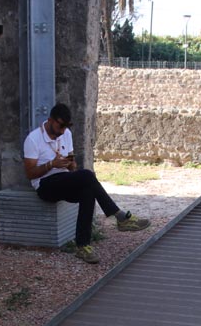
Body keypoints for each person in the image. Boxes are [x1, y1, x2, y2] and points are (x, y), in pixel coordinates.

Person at [23, 103, 150, 264]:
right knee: (88, 176)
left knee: (88, 192)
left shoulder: (66, 134)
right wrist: (51, 165)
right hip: (44, 185)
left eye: (66, 127)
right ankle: (119, 216)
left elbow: (72, 166)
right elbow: (30, 174)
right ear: (50, 120)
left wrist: (69, 164)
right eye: (60, 126)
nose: (62, 131)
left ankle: (83, 246)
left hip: (63, 178)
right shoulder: (33, 139)